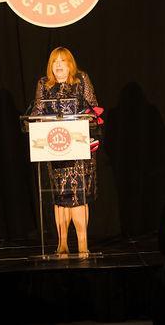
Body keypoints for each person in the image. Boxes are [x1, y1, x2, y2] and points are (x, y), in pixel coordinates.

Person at [32, 46, 99, 256]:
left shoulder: (81, 80)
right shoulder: (44, 84)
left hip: (78, 148)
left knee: (78, 196)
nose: (59, 65)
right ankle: (62, 244)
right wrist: (35, 121)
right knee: (60, 198)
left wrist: (85, 120)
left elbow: (93, 108)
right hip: (55, 149)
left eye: (63, 61)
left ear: (71, 64)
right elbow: (37, 111)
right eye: (55, 61)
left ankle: (82, 244)